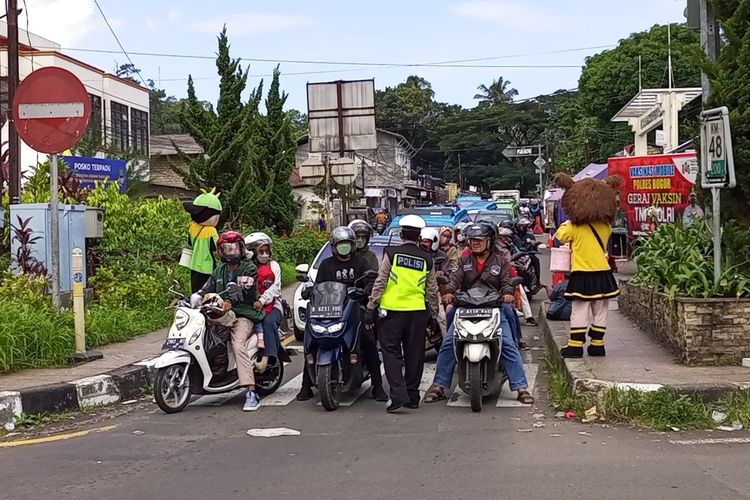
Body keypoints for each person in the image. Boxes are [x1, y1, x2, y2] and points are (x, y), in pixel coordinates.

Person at [423, 222, 534, 405]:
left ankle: (521, 387)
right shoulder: (464, 261)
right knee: (449, 342)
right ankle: (439, 386)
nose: (474, 243)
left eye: (479, 240)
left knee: (507, 343)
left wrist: (507, 293)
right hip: (466, 307)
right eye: (472, 240)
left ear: (489, 241)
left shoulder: (500, 261)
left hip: (493, 307)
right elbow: (454, 279)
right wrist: (449, 291)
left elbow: (507, 281)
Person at [296, 227, 387, 402]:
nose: (344, 247)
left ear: (352, 246)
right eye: (340, 244)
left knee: (367, 339)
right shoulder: (326, 265)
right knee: (311, 340)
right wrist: (309, 291)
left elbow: (371, 280)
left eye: (347, 244)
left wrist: (366, 290)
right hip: (328, 309)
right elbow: (318, 286)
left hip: (354, 308)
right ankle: (306, 385)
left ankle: (378, 385)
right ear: (333, 246)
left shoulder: (361, 263)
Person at [366, 215, 440, 412]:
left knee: (391, 353)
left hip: (392, 311)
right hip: (417, 312)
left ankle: (398, 394)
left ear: (401, 233)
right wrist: (434, 314)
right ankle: (413, 396)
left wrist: (371, 307)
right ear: (418, 236)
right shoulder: (427, 258)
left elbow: (380, 282)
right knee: (414, 355)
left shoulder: (391, 253)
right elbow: (432, 290)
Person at [193, 231, 265, 411]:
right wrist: (190, 298)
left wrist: (231, 301)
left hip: (243, 315)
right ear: (220, 251)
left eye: (234, 247)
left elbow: (246, 290)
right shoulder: (219, 270)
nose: (231, 251)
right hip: (219, 315)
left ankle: (250, 391)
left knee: (237, 344)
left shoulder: (249, 268)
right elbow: (206, 288)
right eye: (226, 248)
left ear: (241, 248)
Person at [553, 172, 622, 358]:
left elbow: (559, 237)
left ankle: (575, 346)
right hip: (603, 272)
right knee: (601, 310)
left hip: (582, 273)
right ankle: (598, 344)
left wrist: (568, 221)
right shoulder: (606, 227)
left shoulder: (573, 227)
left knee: (579, 310)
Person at [244, 232, 283, 367]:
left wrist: (262, 300)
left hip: (273, 306)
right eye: (261, 251)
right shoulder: (246, 267)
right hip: (248, 306)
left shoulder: (274, 266)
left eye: (267, 251)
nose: (265, 254)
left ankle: (267, 358)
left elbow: (275, 288)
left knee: (267, 321)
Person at [182, 189, 222, 293]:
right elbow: (217, 249)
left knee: (195, 292)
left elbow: (190, 243)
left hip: (194, 265)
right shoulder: (211, 230)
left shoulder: (192, 227)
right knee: (207, 293)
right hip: (207, 267)